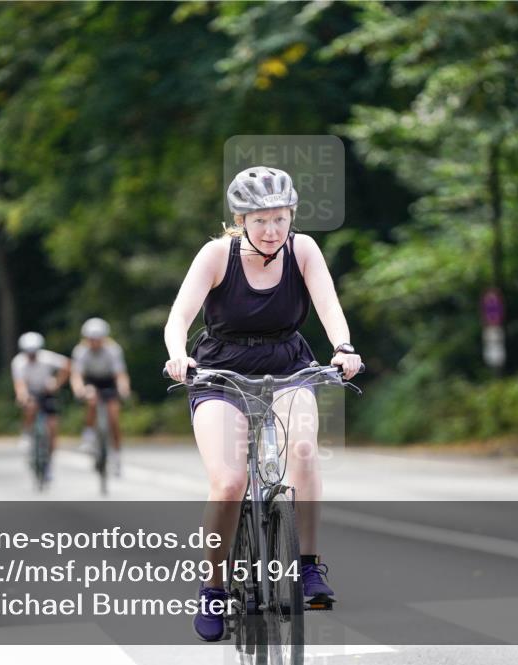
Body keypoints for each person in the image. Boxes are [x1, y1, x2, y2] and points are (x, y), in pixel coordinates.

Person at [163, 166, 363, 641]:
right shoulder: (217, 255)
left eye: (280, 218)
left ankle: (308, 565)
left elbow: (329, 306)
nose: (272, 230)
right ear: (241, 221)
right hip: (220, 372)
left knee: (304, 451)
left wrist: (343, 347)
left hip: (288, 364)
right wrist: (177, 355)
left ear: (291, 215)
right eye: (260, 221)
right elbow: (179, 317)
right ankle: (213, 588)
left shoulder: (303, 250)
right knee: (229, 482)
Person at [71, 318, 131, 476]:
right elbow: (77, 375)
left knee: (114, 418)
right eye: (91, 339)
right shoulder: (80, 351)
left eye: (97, 339)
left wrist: (123, 388)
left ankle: (116, 456)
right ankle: (89, 435)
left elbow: (120, 374)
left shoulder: (113, 350)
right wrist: (79, 389)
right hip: (91, 381)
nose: (94, 343)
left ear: (104, 338)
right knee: (92, 398)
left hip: (108, 381)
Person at [10, 332, 70, 479]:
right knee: (30, 406)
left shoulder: (47, 357)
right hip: (30, 391)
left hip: (46, 391)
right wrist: (22, 395)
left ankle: (49, 463)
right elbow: (19, 384)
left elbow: (67, 365)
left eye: (34, 352)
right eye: (29, 353)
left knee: (53, 427)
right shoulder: (18, 362)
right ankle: (27, 434)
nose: (31, 356)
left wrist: (57, 383)